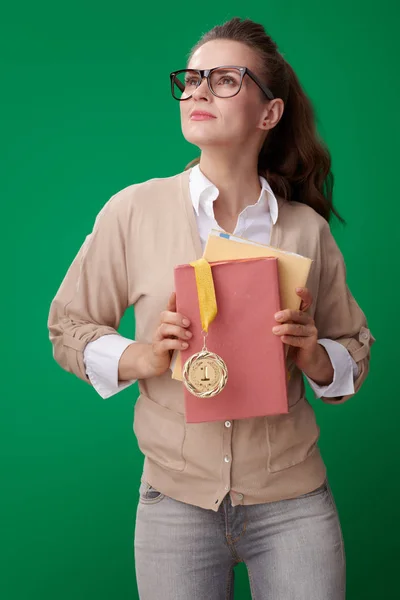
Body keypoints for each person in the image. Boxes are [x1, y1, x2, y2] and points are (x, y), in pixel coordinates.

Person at [47, 16, 375, 600]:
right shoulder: (132, 210)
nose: (198, 90)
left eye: (225, 79)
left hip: (294, 505)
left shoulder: (307, 230)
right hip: (174, 505)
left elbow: (354, 348)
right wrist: (142, 355)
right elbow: (67, 327)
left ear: (269, 113)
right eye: (193, 78)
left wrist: (312, 354)